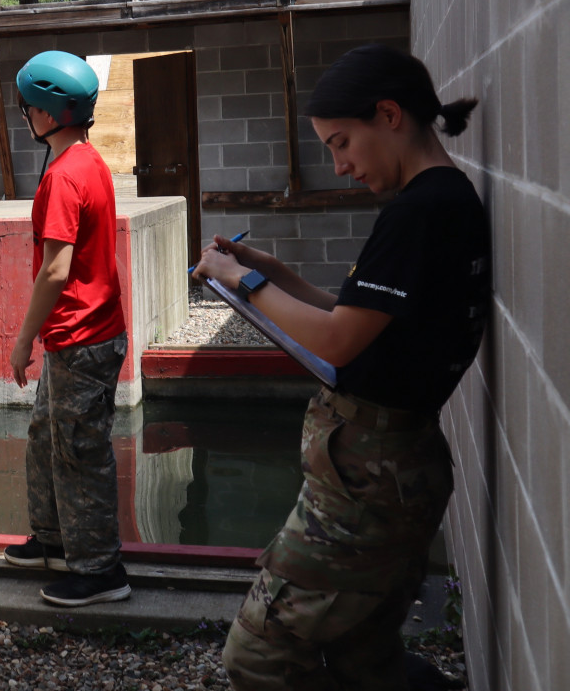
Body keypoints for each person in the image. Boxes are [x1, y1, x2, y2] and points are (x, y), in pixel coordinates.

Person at [193, 44, 490, 690]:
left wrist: (239, 279)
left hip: (371, 481)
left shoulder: (420, 210)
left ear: (388, 114)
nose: (340, 164)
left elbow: (336, 341)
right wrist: (277, 275)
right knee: (363, 654)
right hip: (388, 466)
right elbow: (354, 319)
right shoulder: (438, 201)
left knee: (259, 656)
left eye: (341, 142)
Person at [1, 51, 131, 608]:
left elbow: (56, 268)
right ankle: (53, 539)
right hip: (79, 335)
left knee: (79, 451)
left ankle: (100, 571)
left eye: (28, 108)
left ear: (49, 113)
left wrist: (22, 337)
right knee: (45, 438)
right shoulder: (88, 161)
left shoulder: (63, 176)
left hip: (80, 337)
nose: (25, 116)